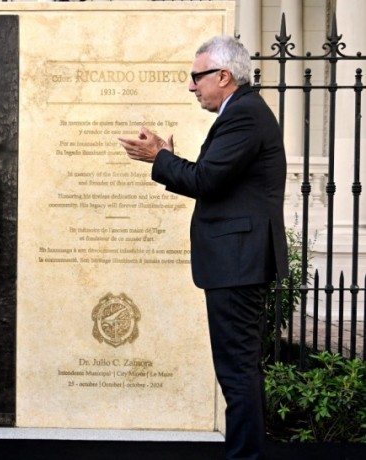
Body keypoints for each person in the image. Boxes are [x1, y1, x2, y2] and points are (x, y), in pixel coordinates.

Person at [118, 35, 288, 460]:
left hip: (239, 264)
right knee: (238, 370)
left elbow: (206, 181)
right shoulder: (243, 113)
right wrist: (167, 159)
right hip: (237, 263)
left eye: (197, 77)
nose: (192, 86)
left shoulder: (244, 116)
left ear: (223, 76)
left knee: (236, 372)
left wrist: (158, 156)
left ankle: (244, 457)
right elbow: (212, 178)